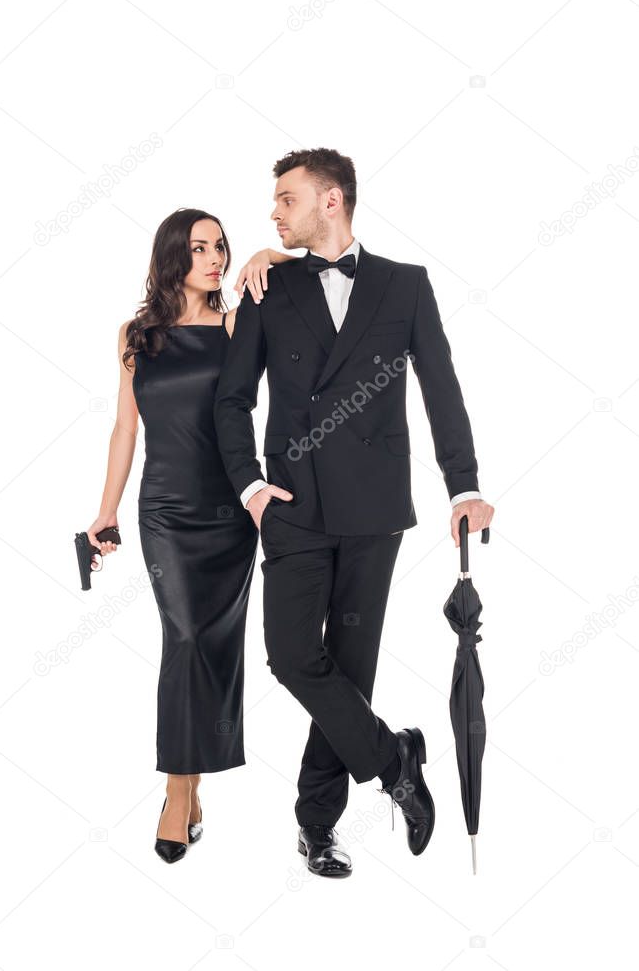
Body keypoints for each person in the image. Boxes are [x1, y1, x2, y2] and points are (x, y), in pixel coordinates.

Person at [214, 149, 495, 878]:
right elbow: (231, 398)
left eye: (285, 198)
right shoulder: (268, 286)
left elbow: (441, 387)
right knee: (290, 656)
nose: (273, 211)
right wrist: (249, 486)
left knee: (347, 670)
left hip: (374, 511)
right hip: (293, 506)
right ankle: (394, 758)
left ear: (329, 200)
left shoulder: (404, 285)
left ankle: (316, 825)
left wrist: (461, 486)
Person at [86, 207, 295, 863]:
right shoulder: (135, 336)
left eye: (222, 248)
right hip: (166, 511)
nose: (214, 258)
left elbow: (318, 275)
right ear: (172, 255)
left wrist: (272, 255)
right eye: (199, 247)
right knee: (184, 635)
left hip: (230, 509)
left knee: (215, 643)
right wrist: (105, 511)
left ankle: (189, 789)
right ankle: (179, 794)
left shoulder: (238, 325)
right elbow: (126, 430)